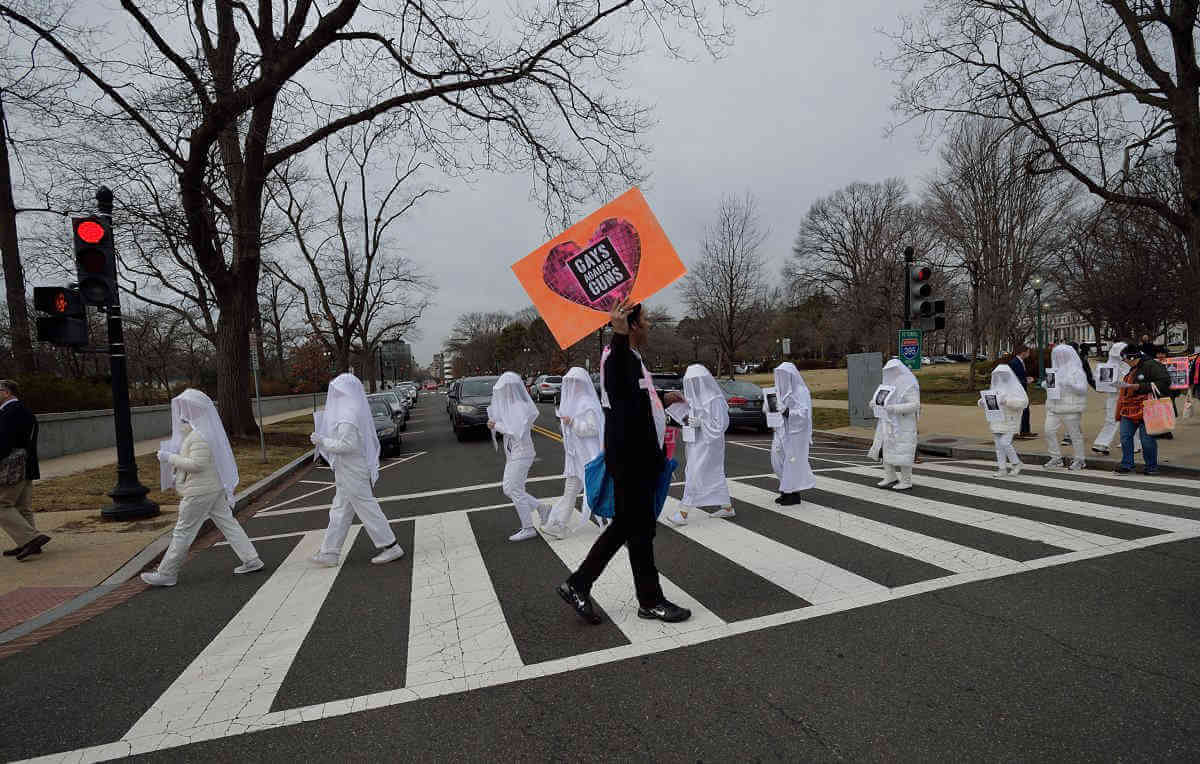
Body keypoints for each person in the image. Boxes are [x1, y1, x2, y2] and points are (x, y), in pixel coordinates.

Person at [558, 300, 691, 625]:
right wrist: (616, 334)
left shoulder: (633, 358)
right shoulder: (616, 356)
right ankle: (637, 597)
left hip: (640, 458)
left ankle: (604, 589)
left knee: (635, 529)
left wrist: (661, 395)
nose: (648, 324)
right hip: (632, 460)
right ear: (631, 325)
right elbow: (619, 389)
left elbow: (632, 397)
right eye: (644, 319)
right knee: (634, 529)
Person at [141, 389, 263, 586]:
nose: (181, 413)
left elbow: (198, 465)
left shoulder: (199, 436)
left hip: (200, 491)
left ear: (193, 410)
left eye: (185, 408)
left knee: (183, 530)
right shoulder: (206, 431)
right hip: (212, 489)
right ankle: (251, 559)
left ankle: (167, 572)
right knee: (227, 523)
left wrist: (168, 458)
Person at [310, 373, 406, 566]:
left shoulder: (347, 414)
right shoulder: (350, 411)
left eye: (337, 392)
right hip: (348, 469)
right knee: (340, 510)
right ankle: (330, 552)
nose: (334, 396)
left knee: (367, 508)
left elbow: (348, 445)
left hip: (352, 469)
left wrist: (323, 441)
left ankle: (391, 545)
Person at [667, 364, 733, 526]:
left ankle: (683, 512)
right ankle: (727, 507)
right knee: (713, 474)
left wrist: (701, 423)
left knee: (694, 474)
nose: (692, 385)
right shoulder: (694, 399)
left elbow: (721, 425)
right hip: (696, 443)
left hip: (710, 445)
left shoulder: (714, 399)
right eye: (689, 382)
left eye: (695, 381)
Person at [489, 371, 550, 542]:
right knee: (513, 489)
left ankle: (529, 527)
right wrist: (495, 423)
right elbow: (508, 426)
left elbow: (516, 431)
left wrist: (497, 425)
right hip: (515, 453)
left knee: (512, 488)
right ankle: (542, 509)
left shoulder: (519, 406)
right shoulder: (511, 406)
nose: (501, 393)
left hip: (522, 453)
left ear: (511, 389)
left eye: (503, 389)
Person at [543, 367, 602, 540]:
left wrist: (573, 422)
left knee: (599, 491)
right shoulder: (571, 403)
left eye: (576, 382)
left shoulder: (587, 402)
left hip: (588, 456)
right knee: (570, 491)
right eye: (570, 382)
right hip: (575, 457)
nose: (572, 386)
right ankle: (559, 525)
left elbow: (592, 429)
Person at [0, 380, 48, 562]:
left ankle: (30, 539)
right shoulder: (24, 410)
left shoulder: (8, 413)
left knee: (2, 505)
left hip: (11, 468)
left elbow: (4, 442)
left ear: (6, 392)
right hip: (26, 465)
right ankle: (28, 544)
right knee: (22, 507)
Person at [1115, 346, 1172, 475]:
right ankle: (1127, 464)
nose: (1124, 362)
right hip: (1129, 407)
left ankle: (1151, 467)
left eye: (1125, 359)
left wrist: (1139, 386)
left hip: (1148, 408)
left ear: (1131, 357)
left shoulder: (1152, 365)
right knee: (1125, 437)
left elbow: (1165, 382)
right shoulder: (1135, 368)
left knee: (1147, 440)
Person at [769, 362, 815, 506]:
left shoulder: (801, 391)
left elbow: (804, 414)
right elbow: (773, 408)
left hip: (795, 434)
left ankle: (793, 493)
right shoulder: (778, 392)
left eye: (784, 375)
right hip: (781, 431)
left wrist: (787, 412)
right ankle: (785, 489)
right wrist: (769, 410)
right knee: (777, 460)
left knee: (792, 463)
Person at [870, 359, 920, 490]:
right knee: (886, 449)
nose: (891, 373)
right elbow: (883, 398)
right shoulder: (888, 384)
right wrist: (874, 403)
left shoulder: (909, 385)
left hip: (904, 424)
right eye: (888, 371)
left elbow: (915, 405)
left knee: (903, 452)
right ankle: (890, 476)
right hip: (888, 422)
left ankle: (906, 480)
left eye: (893, 370)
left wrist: (895, 408)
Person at [1043, 344, 1089, 470]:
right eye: (1057, 355)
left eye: (1062, 355)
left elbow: (1083, 389)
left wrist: (1071, 385)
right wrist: (1047, 384)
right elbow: (1050, 385)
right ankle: (1056, 457)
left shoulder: (1077, 371)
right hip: (1054, 406)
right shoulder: (1054, 371)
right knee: (1048, 431)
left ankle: (1080, 459)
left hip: (1071, 407)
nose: (1059, 358)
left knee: (1075, 435)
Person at [980, 365, 1027, 476]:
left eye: (1003, 374)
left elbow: (1024, 403)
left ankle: (1016, 463)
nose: (1000, 376)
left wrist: (1007, 401)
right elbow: (990, 397)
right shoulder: (995, 386)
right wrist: (982, 401)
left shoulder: (1016, 387)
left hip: (1010, 418)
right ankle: (1002, 468)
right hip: (996, 419)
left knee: (1005, 442)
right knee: (998, 445)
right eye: (998, 374)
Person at [1093, 341, 1132, 456]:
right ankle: (1102, 443)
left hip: (1128, 396)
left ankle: (1133, 443)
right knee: (1112, 419)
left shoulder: (1129, 365)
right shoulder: (1107, 367)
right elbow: (1100, 382)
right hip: (1115, 397)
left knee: (1131, 420)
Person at [1007, 346, 1036, 438]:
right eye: (1028, 352)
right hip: (1017, 391)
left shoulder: (1020, 361)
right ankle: (1017, 431)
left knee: (1025, 409)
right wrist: (1025, 381)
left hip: (1022, 389)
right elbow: (1012, 378)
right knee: (1020, 410)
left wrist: (1026, 378)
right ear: (1023, 352)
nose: (1029, 354)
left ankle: (1025, 430)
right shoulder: (1014, 362)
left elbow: (1020, 375)